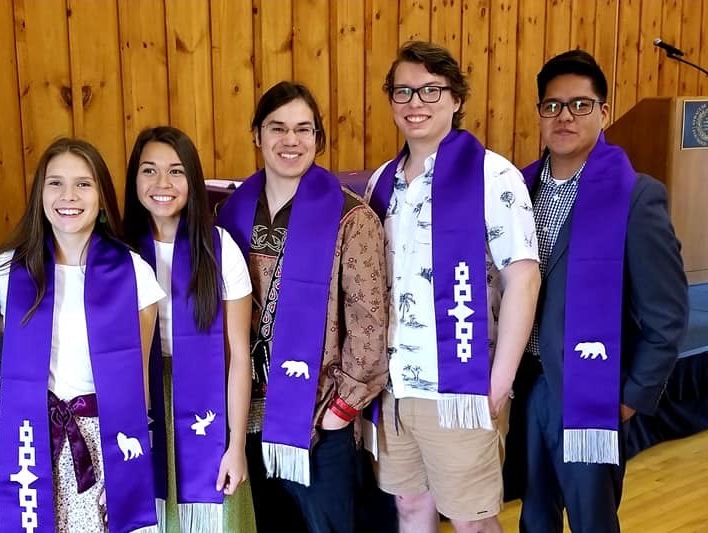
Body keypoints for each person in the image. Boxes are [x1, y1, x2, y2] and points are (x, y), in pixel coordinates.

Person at [365, 41, 541, 533]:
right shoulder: (381, 183)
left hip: (461, 387)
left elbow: (523, 278)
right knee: (410, 506)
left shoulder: (493, 175)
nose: (414, 102)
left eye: (429, 90)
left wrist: (500, 382)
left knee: (472, 521)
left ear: (456, 99)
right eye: (403, 91)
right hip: (395, 387)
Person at [515, 49, 688, 533]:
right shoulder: (517, 189)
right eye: (552, 106)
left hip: (590, 387)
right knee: (533, 513)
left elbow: (667, 313)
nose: (565, 116)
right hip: (526, 381)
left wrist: (631, 397)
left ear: (604, 112)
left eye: (580, 104)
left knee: (592, 520)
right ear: (540, 115)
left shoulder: (635, 196)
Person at [217, 80, 390, 533]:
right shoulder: (229, 214)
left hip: (316, 417)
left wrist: (339, 412)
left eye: (303, 129)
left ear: (318, 138)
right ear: (256, 134)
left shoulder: (352, 218)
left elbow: (370, 326)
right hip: (245, 413)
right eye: (277, 128)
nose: (290, 141)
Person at [0, 138, 165, 533]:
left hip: (100, 437)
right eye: (55, 183)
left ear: (101, 195)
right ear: (40, 194)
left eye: (83, 184)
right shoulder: (5, 270)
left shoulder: (133, 273)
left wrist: (131, 463)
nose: (69, 196)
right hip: (24, 432)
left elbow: (139, 381)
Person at [123, 126, 256, 531]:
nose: (162, 183)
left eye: (175, 171)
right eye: (149, 170)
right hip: (140, 395)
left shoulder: (219, 249)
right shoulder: (115, 251)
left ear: (192, 180)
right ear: (134, 180)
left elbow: (237, 357)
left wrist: (236, 445)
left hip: (206, 397)